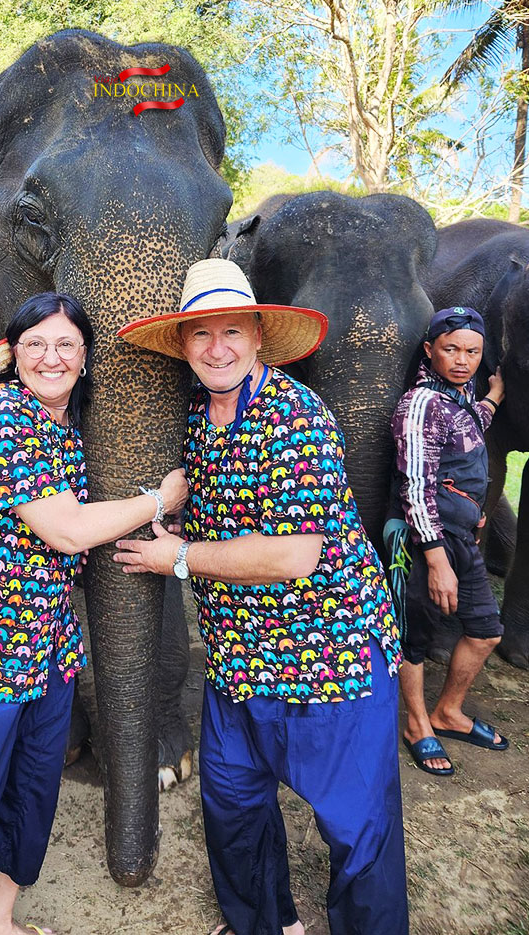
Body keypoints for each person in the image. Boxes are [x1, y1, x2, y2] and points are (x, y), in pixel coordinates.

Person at [114, 259, 407, 935]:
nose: (217, 347)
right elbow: (229, 510)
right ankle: (264, 925)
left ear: (257, 337)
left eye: (232, 331)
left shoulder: (296, 416)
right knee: (233, 809)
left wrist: (179, 557)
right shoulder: (193, 415)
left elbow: (294, 552)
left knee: (358, 831)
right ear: (184, 345)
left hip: (329, 662)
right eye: (202, 334)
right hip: (240, 661)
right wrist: (177, 524)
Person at [0, 292, 188, 935]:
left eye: (66, 346)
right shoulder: (4, 416)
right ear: (12, 354)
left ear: (85, 359)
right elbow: (68, 531)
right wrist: (158, 498)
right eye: (36, 345)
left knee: (24, 798)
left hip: (41, 650)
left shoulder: (65, 428)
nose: (51, 358)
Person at [391, 306, 508, 777]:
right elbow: (414, 488)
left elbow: (474, 421)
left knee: (486, 630)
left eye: (472, 351)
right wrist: (436, 561)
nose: (462, 359)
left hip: (461, 537)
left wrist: (495, 396)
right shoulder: (420, 405)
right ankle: (418, 726)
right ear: (429, 350)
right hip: (424, 544)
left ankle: (449, 712)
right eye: (451, 349)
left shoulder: (462, 399)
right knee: (413, 639)